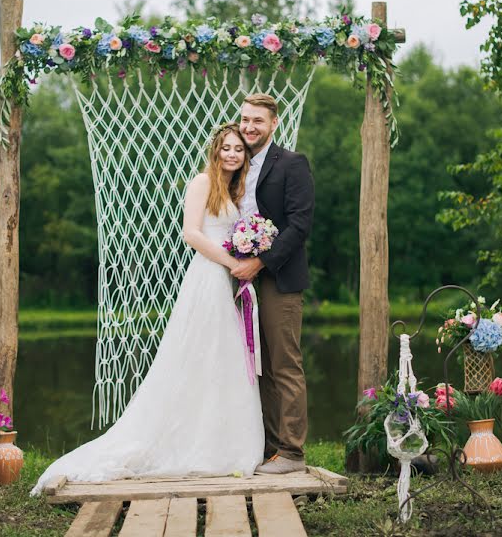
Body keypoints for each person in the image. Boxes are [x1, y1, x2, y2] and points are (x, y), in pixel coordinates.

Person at [31, 123, 263, 495]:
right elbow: (192, 233)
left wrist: (245, 256)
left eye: (239, 149)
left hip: (227, 279)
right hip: (208, 277)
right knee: (200, 356)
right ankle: (186, 442)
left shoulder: (238, 189)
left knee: (223, 359)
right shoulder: (203, 182)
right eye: (227, 148)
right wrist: (230, 262)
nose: (233, 154)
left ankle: (220, 440)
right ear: (216, 150)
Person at [231, 93, 315, 474]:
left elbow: (300, 224)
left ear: (274, 124)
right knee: (257, 366)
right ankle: (269, 448)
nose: (249, 127)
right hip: (240, 281)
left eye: (258, 121)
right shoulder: (235, 164)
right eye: (245, 119)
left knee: (284, 365)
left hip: (278, 278)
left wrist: (260, 262)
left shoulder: (292, 164)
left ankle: (293, 452)